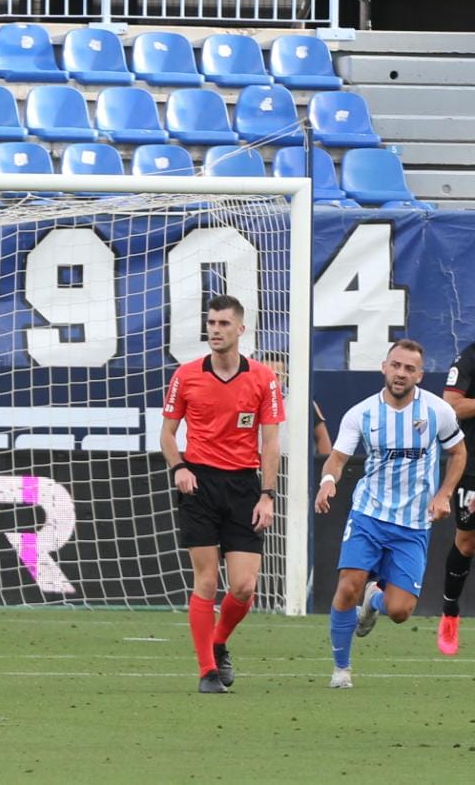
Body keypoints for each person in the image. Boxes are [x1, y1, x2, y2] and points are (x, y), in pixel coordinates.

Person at [316, 339, 465, 688]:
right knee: (348, 586)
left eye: (409, 368)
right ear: (384, 367)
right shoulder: (362, 413)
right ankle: (341, 670)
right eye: (396, 365)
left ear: (420, 375)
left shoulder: (437, 411)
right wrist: (326, 482)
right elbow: (336, 458)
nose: (401, 373)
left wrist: (444, 495)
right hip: (368, 515)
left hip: (413, 524)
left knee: (399, 611)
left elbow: (458, 453)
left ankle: (375, 600)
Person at [159, 294, 285, 694]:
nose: (215, 329)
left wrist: (267, 495)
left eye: (224, 324)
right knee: (206, 581)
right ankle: (207, 671)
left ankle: (218, 640)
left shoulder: (263, 378)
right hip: (199, 483)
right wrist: (179, 467)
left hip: (245, 487)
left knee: (245, 586)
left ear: (240, 330)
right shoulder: (187, 375)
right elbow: (166, 434)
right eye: (211, 323)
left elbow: (270, 443)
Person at [435, 337, 475, 656]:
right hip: (473, 464)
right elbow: (450, 404)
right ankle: (450, 613)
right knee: (466, 542)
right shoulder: (469, 357)